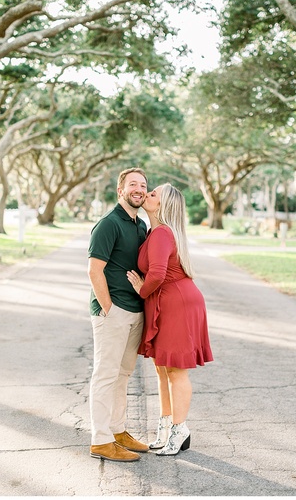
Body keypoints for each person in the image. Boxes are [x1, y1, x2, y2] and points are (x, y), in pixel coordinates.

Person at [127, 183, 213, 456]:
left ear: (163, 205)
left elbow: (157, 274)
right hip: (169, 302)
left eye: (154, 194)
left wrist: (141, 289)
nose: (148, 194)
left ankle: (180, 429)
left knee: (176, 371)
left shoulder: (162, 233)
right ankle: (165, 426)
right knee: (162, 369)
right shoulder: (155, 232)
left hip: (177, 304)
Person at [87, 167, 150, 462]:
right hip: (113, 312)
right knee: (106, 374)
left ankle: (117, 430)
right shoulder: (108, 224)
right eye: (133, 184)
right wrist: (108, 309)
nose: (139, 189)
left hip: (135, 310)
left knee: (123, 375)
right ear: (120, 190)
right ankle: (101, 440)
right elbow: (94, 270)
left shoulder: (140, 225)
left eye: (143, 185)